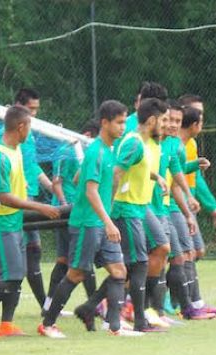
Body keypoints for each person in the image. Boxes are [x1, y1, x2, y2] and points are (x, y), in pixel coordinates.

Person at [39, 100, 143, 338]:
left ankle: (115, 326)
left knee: (119, 271)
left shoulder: (107, 151)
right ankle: (47, 324)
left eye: (124, 123)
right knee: (76, 274)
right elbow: (90, 190)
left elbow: (78, 179)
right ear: (104, 123)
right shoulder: (96, 151)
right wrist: (108, 221)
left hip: (100, 223)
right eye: (118, 123)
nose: (122, 128)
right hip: (88, 223)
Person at [0, 105, 60, 337]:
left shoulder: (16, 150)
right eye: (29, 125)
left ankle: (6, 324)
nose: (30, 131)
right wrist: (39, 206)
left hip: (14, 223)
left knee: (17, 276)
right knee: (9, 277)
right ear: (21, 127)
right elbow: (4, 197)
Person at [111, 98, 169, 333]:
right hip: (126, 209)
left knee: (136, 264)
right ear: (152, 120)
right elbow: (116, 173)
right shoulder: (134, 143)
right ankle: (135, 320)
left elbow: (138, 168)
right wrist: (107, 209)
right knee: (137, 265)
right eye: (163, 120)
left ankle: (102, 309)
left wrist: (157, 177)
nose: (164, 125)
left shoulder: (142, 144)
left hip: (136, 208)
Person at [43, 119, 100, 316]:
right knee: (78, 260)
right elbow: (57, 182)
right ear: (89, 136)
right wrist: (64, 203)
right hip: (68, 211)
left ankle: (49, 305)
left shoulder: (86, 153)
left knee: (67, 260)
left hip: (79, 209)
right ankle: (94, 305)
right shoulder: (67, 151)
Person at [178, 95, 216, 315]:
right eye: (196, 113)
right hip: (174, 204)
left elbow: (193, 177)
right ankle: (182, 302)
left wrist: (212, 206)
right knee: (181, 253)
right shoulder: (175, 143)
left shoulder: (190, 144)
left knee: (194, 251)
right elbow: (171, 175)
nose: (200, 117)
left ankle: (188, 301)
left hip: (186, 204)